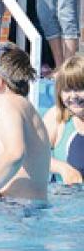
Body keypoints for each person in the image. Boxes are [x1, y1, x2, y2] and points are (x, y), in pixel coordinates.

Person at [0, 43, 49, 202]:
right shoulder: (25, 106)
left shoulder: (7, 103)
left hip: (16, 210)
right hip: (32, 209)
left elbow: (15, 153)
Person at [43, 55, 84, 184]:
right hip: (64, 199)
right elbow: (31, 155)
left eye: (79, 88)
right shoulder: (57, 118)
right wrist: (62, 168)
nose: (73, 96)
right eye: (66, 90)